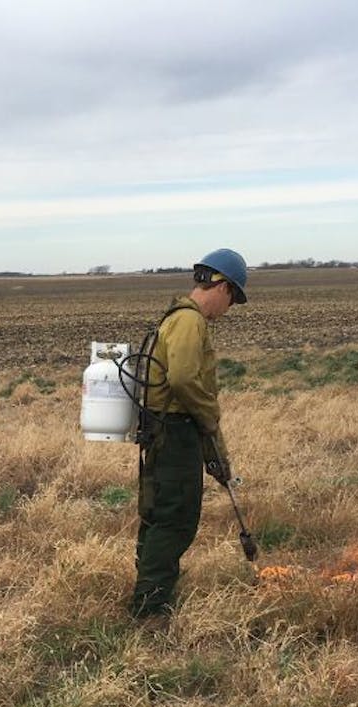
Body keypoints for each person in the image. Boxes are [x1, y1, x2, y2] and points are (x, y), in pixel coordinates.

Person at [130, 249, 249, 619]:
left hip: (164, 428)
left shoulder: (176, 317)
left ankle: (151, 591)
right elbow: (183, 379)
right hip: (176, 432)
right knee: (175, 518)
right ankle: (151, 609)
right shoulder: (190, 321)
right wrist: (209, 415)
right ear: (224, 287)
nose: (226, 311)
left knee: (158, 512)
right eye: (232, 300)